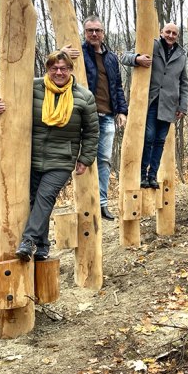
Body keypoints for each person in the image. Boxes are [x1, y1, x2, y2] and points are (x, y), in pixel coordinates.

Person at [0, 51, 99, 261]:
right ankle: (43, 246)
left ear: (71, 70)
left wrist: (85, 158)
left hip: (62, 159)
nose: (59, 72)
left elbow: (91, 132)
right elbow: (3, 93)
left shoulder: (84, 96)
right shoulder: (34, 87)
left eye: (63, 68)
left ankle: (28, 241)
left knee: (45, 198)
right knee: (34, 200)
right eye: (54, 68)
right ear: (47, 69)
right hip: (31, 156)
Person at [62, 15, 128, 221]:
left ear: (103, 33)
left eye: (97, 30)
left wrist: (122, 111)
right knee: (83, 160)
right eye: (90, 30)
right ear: (85, 32)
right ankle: (84, 204)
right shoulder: (77, 53)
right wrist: (62, 54)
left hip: (108, 116)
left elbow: (117, 86)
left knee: (104, 161)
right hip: (84, 116)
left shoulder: (111, 58)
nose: (94, 34)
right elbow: (55, 69)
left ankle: (102, 204)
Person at [121, 22, 188, 189]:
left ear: (177, 36)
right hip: (151, 100)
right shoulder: (150, 44)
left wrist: (183, 106)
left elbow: (184, 82)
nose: (170, 35)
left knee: (159, 140)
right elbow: (124, 56)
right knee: (149, 136)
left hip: (169, 103)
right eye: (168, 32)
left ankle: (152, 176)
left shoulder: (181, 54)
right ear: (161, 32)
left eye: (174, 33)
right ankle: (142, 174)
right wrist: (137, 59)